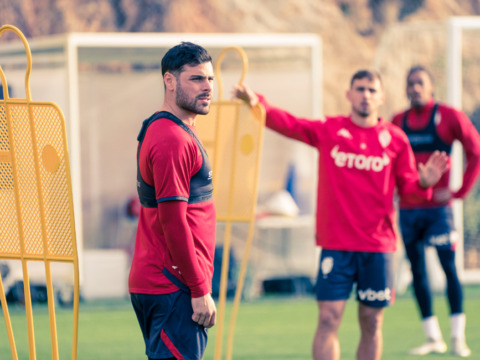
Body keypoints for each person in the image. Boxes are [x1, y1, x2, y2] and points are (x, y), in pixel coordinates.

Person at [233, 69, 449, 360]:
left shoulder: (395, 139)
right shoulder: (330, 129)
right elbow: (290, 124)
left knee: (372, 322)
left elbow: (409, 189)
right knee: (328, 319)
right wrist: (257, 102)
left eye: (372, 90)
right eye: (360, 89)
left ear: (382, 97)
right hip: (336, 244)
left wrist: (424, 183)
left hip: (378, 246)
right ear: (349, 95)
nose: (366, 95)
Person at [129, 42, 217, 360]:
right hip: (172, 285)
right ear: (170, 81)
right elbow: (173, 221)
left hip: (166, 282)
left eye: (210, 79)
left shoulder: (169, 128)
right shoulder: (172, 138)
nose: (207, 87)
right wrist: (198, 288)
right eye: (196, 79)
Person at [391, 65, 480, 357]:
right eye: (410, 83)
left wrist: (459, 192)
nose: (415, 88)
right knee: (417, 271)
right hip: (408, 211)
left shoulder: (449, 117)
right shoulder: (398, 121)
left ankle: (457, 338)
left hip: (439, 211)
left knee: (449, 269)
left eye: (420, 83)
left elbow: (476, 152)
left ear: (431, 87)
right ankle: (433, 337)